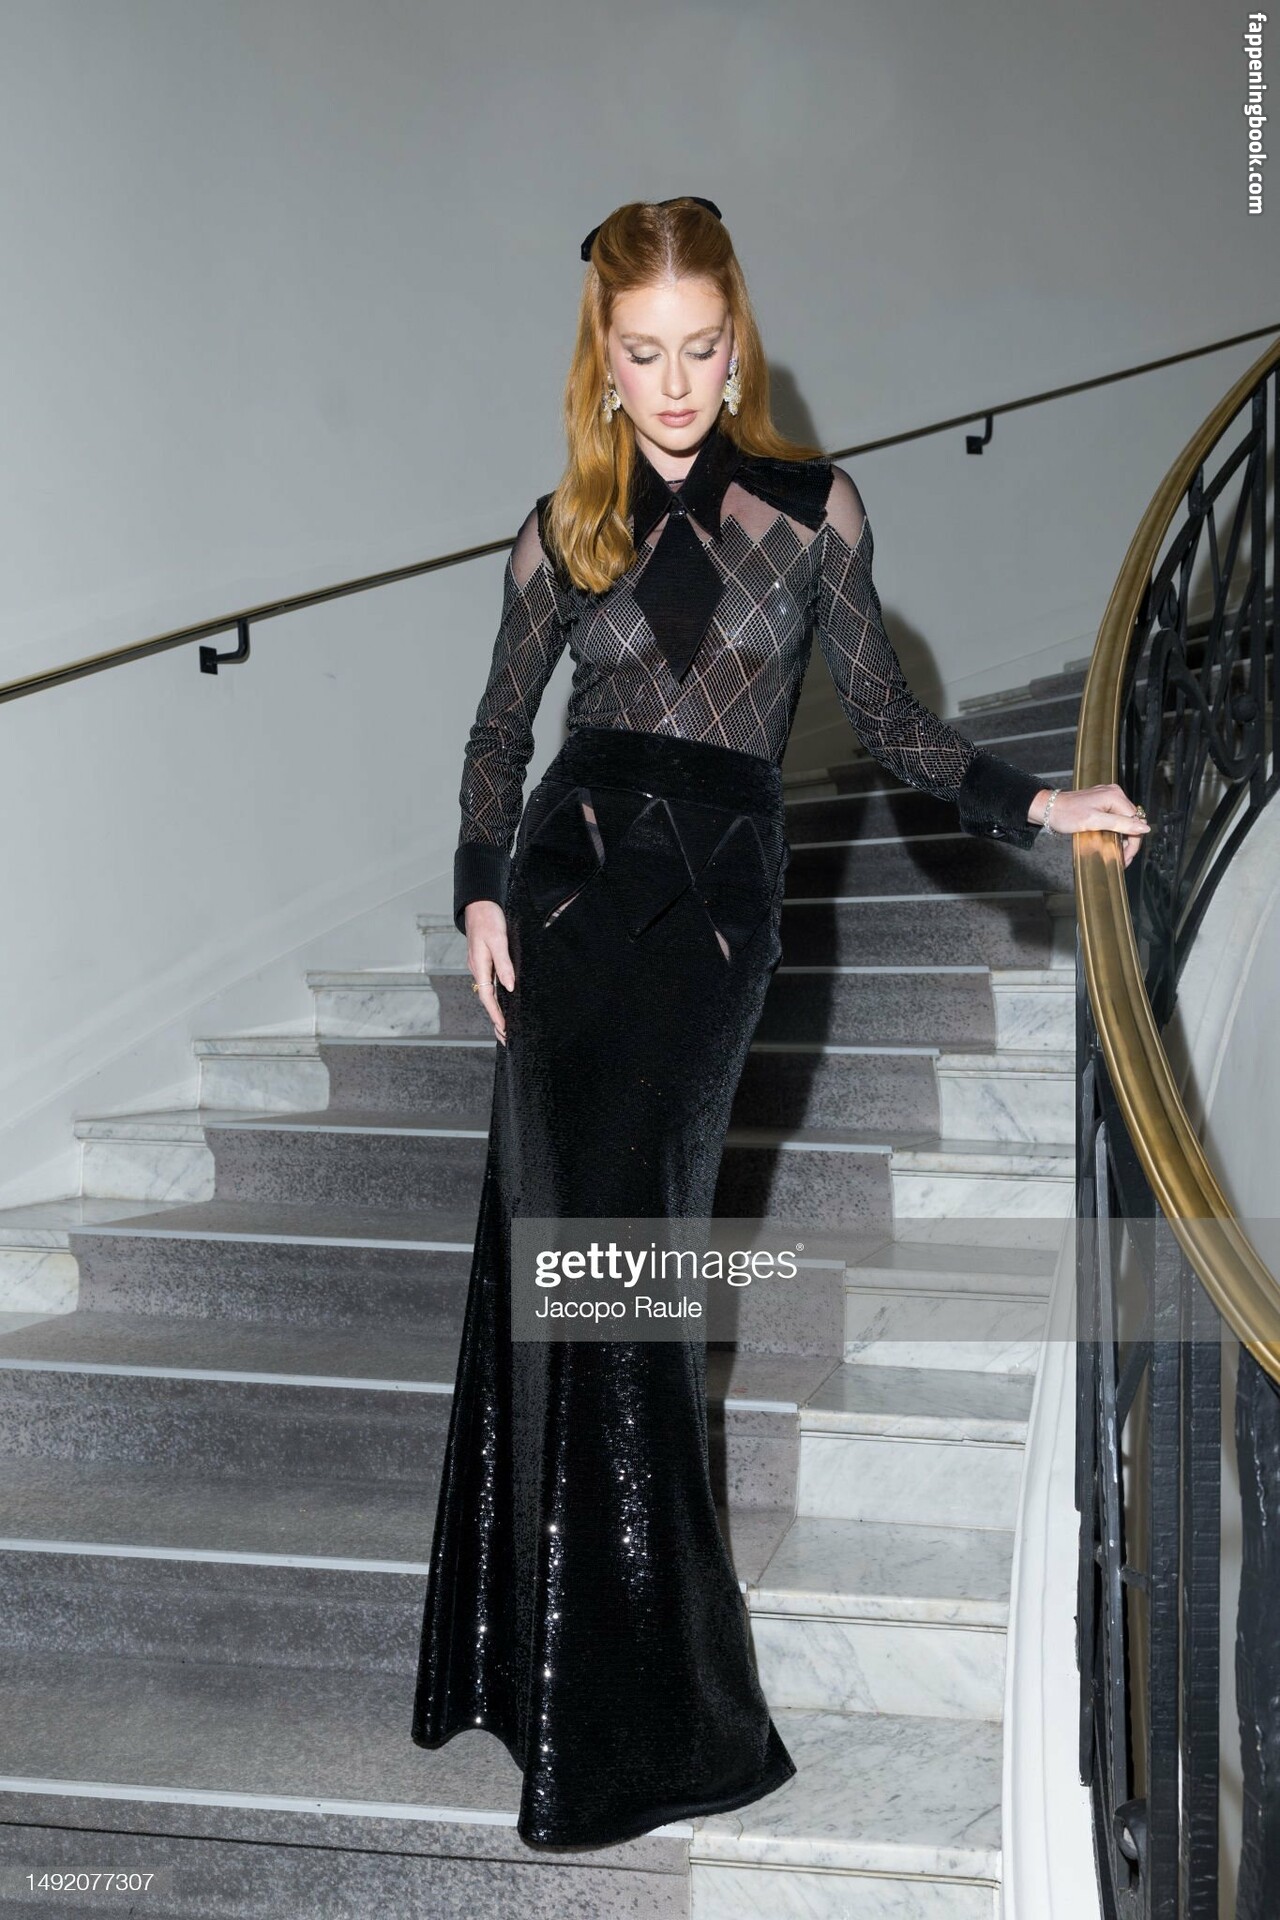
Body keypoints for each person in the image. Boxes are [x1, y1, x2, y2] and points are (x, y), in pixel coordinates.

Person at [410, 195, 1150, 1853]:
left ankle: (649, 1705)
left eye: (701, 349)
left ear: (738, 345)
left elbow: (890, 721)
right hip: (570, 909)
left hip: (720, 925)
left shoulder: (817, 515)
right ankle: (565, 1689)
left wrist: (1043, 800)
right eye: (643, 354)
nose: (675, 384)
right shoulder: (559, 533)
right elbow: (496, 737)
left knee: (632, 1277)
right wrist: (479, 891)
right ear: (602, 361)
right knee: (575, 1281)